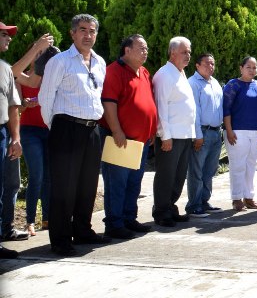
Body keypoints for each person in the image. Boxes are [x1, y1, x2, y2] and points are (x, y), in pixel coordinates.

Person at [39, 14, 109, 256]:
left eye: (92, 31)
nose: (87, 35)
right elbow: (45, 98)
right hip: (66, 128)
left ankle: (82, 230)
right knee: (64, 187)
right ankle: (59, 239)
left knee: (87, 185)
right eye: (82, 30)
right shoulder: (60, 61)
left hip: (92, 130)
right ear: (72, 33)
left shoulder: (100, 62)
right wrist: (56, 127)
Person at [98, 34, 158, 239]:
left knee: (134, 183)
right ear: (127, 50)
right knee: (117, 184)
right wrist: (116, 130)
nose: (145, 51)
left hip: (140, 141)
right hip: (120, 140)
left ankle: (129, 219)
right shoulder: (114, 71)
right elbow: (109, 103)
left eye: (146, 48)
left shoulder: (144, 72)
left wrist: (151, 131)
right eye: (141, 48)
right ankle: (114, 224)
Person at [14, 38, 58, 237]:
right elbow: (17, 107)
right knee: (37, 176)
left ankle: (47, 219)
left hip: (49, 129)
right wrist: (25, 103)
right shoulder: (23, 78)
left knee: (49, 176)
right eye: (38, 53)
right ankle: (30, 221)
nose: (41, 57)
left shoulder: (51, 77)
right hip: (29, 130)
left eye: (45, 54)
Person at [151, 36, 196, 228]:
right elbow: (161, 107)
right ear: (172, 52)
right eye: (184, 52)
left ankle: (170, 207)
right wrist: (165, 135)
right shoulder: (164, 74)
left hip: (184, 135)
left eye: (189, 52)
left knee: (178, 176)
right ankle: (161, 211)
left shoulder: (180, 73)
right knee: (166, 175)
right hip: (171, 137)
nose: (188, 56)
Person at [223, 56, 257, 212]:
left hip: (256, 132)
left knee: (251, 166)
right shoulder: (233, 85)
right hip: (237, 132)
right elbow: (226, 109)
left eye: (255, 67)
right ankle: (236, 198)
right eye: (249, 67)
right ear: (241, 68)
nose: (252, 70)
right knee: (238, 165)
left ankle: (249, 197)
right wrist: (229, 130)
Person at [187, 53, 224, 216]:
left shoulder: (214, 83)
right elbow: (194, 111)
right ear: (197, 65)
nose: (211, 67)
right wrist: (198, 135)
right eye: (207, 63)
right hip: (202, 132)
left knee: (210, 170)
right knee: (197, 170)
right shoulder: (193, 83)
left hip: (216, 132)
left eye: (213, 63)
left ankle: (204, 200)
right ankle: (193, 205)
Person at [0, 22, 23, 259]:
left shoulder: (5, 69)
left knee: (4, 187)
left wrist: (15, 138)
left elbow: (13, 107)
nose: (9, 39)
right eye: (4, 35)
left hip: (2, 134)